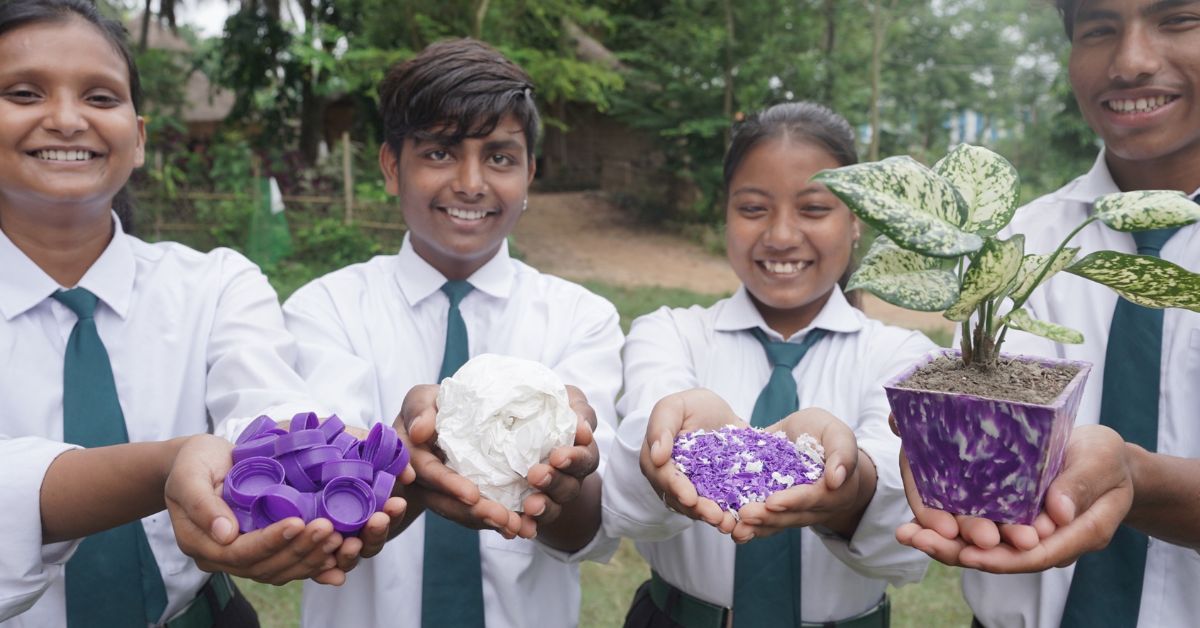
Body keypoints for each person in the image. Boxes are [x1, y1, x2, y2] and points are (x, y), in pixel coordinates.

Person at [0, 1, 403, 625]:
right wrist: (169, 463)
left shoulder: (215, 283)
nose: (66, 118)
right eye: (24, 93)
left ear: (137, 139)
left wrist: (306, 461)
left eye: (101, 97)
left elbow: (264, 398)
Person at [283, 38, 624, 627]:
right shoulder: (324, 312)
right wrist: (397, 456)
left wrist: (570, 471)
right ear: (392, 165)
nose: (471, 183)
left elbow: (588, 527)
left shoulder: (581, 319)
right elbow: (316, 503)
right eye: (440, 153)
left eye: (499, 157)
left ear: (530, 173)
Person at [894, 0, 1200, 626]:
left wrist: (1135, 479)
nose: (1132, 61)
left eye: (1179, 19)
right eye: (1097, 29)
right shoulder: (1017, 243)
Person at [601, 101, 934, 628]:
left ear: (855, 222)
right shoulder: (669, 333)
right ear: (726, 213)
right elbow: (633, 476)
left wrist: (852, 486)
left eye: (814, 209)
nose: (780, 235)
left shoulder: (904, 356)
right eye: (754, 208)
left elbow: (904, 503)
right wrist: (668, 445)